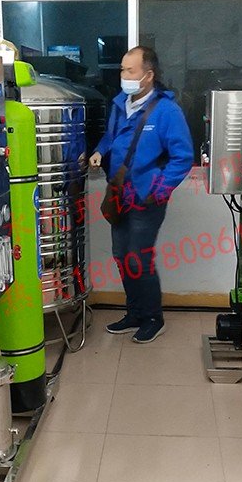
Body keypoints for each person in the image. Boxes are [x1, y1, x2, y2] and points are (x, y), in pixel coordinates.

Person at [87, 46, 194, 343]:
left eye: (130, 70)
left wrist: (158, 190)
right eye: (122, 69)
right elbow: (111, 136)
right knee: (122, 256)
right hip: (119, 194)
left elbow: (182, 157)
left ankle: (153, 318)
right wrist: (99, 151)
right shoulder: (120, 104)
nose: (123, 75)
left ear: (148, 75)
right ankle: (134, 313)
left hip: (147, 199)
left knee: (138, 258)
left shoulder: (167, 111)